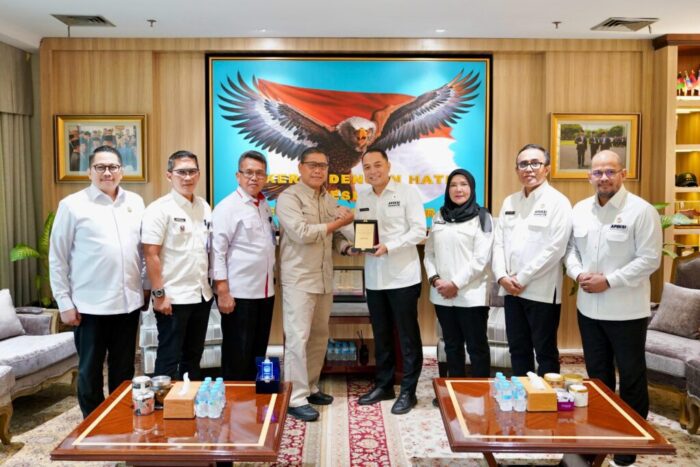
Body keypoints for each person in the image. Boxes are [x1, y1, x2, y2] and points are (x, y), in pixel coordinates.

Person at [565, 150, 662, 467]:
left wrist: (609, 281)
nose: (603, 177)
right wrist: (578, 274)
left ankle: (629, 444)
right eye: (598, 172)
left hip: (626, 312)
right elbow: (571, 251)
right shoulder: (580, 210)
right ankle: (601, 434)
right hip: (588, 310)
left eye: (610, 171)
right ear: (589, 176)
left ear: (623, 173)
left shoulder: (641, 211)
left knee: (631, 378)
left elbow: (649, 259)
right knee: (597, 378)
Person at [49, 145, 148, 418]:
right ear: (89, 172)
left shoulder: (135, 202)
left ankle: (118, 420)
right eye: (100, 167)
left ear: (122, 171)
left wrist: (145, 286)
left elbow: (143, 252)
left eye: (113, 167)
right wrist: (64, 303)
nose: (107, 172)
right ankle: (93, 426)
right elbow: (57, 257)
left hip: (127, 304)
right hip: (89, 306)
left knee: (124, 370)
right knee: (90, 372)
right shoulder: (72, 205)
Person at [276, 147, 354, 422]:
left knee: (319, 335)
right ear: (300, 167)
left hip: (323, 278)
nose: (318, 170)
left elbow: (334, 236)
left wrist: (346, 247)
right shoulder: (288, 198)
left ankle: (309, 387)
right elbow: (302, 233)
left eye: (323, 165)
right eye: (312, 165)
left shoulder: (328, 198)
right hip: (299, 279)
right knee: (297, 338)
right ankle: (295, 398)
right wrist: (340, 222)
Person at [353, 148, 426, 415]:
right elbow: (362, 231)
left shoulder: (407, 193)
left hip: (402, 277)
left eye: (377, 165)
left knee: (407, 336)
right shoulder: (362, 196)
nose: (373, 171)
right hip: (374, 278)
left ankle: (408, 390)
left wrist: (390, 246)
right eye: (367, 167)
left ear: (388, 166)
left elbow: (419, 230)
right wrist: (356, 244)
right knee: (381, 335)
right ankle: (384, 385)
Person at [492, 144, 572, 376]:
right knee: (517, 349)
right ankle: (521, 393)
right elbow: (498, 243)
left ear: (547, 168)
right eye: (523, 164)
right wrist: (501, 277)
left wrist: (522, 278)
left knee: (545, 352)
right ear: (516, 169)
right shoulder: (510, 202)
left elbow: (556, 248)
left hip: (541, 292)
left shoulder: (558, 202)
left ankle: (546, 396)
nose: (529, 169)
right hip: (511, 291)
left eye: (535, 163)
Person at [142, 150, 213, 381]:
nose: (187, 177)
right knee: (169, 357)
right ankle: (162, 402)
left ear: (199, 174)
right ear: (169, 175)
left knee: (193, 357)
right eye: (181, 172)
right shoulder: (158, 209)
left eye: (192, 171)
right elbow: (150, 254)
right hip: (173, 299)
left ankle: (189, 399)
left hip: (201, 295)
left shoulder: (204, 207)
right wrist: (159, 295)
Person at [424, 168, 494, 383]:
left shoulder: (483, 217)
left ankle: (481, 391)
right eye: (453, 185)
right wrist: (435, 279)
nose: (458, 189)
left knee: (476, 347)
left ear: (472, 188)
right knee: (452, 345)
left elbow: (481, 259)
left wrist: (455, 284)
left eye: (464, 184)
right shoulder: (439, 216)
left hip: (471, 295)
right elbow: (429, 253)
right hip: (442, 295)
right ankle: (455, 390)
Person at [211, 150, 276, 381]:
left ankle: (254, 398)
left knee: (258, 351)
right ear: (238, 176)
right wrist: (223, 292)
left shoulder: (263, 204)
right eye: (248, 172)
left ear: (265, 177)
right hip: (239, 294)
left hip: (265, 292)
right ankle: (234, 401)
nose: (254, 178)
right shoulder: (227, 207)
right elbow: (217, 252)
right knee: (237, 354)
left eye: (259, 173)